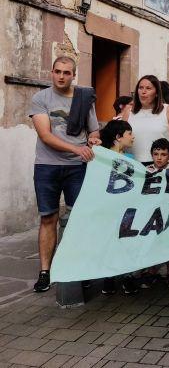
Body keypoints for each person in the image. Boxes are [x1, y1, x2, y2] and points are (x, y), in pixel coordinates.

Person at [29, 56, 100, 292]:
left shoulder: (84, 97)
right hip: (47, 166)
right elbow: (45, 135)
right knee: (48, 218)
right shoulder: (41, 98)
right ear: (51, 72)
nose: (61, 76)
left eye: (67, 72)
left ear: (73, 75)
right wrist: (77, 148)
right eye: (57, 71)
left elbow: (94, 129)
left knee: (78, 219)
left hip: (77, 168)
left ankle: (79, 268)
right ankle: (45, 272)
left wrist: (93, 139)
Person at [99, 120, 140, 295]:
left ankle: (127, 276)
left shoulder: (130, 159)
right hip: (108, 209)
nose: (133, 137)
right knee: (109, 240)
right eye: (129, 133)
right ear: (118, 137)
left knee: (126, 241)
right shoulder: (100, 157)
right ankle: (109, 276)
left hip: (127, 208)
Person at [139, 138, 169, 290]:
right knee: (151, 242)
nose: (159, 157)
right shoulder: (145, 171)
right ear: (151, 155)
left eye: (163, 154)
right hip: (151, 214)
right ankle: (151, 272)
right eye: (156, 154)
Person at [122, 75, 169, 165]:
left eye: (148, 88)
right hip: (133, 166)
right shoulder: (129, 112)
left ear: (156, 93)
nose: (143, 92)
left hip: (161, 167)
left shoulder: (168, 110)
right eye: (140, 88)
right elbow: (120, 139)